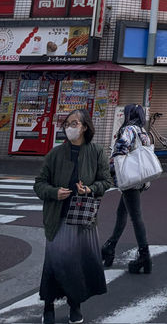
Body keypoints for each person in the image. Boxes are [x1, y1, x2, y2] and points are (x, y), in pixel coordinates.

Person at [34, 108, 112, 324]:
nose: (70, 127)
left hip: (83, 218)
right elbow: (39, 184)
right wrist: (54, 193)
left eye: (75, 123)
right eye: (68, 123)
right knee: (54, 263)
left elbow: (106, 181)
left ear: (85, 127)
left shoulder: (96, 152)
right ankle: (48, 306)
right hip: (58, 217)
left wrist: (90, 189)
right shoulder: (55, 153)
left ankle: (75, 306)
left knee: (78, 264)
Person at [101, 104, 153, 274]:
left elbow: (121, 147)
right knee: (122, 213)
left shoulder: (129, 129)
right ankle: (110, 246)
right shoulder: (143, 131)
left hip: (129, 178)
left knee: (136, 217)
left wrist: (112, 164)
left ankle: (144, 255)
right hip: (139, 178)